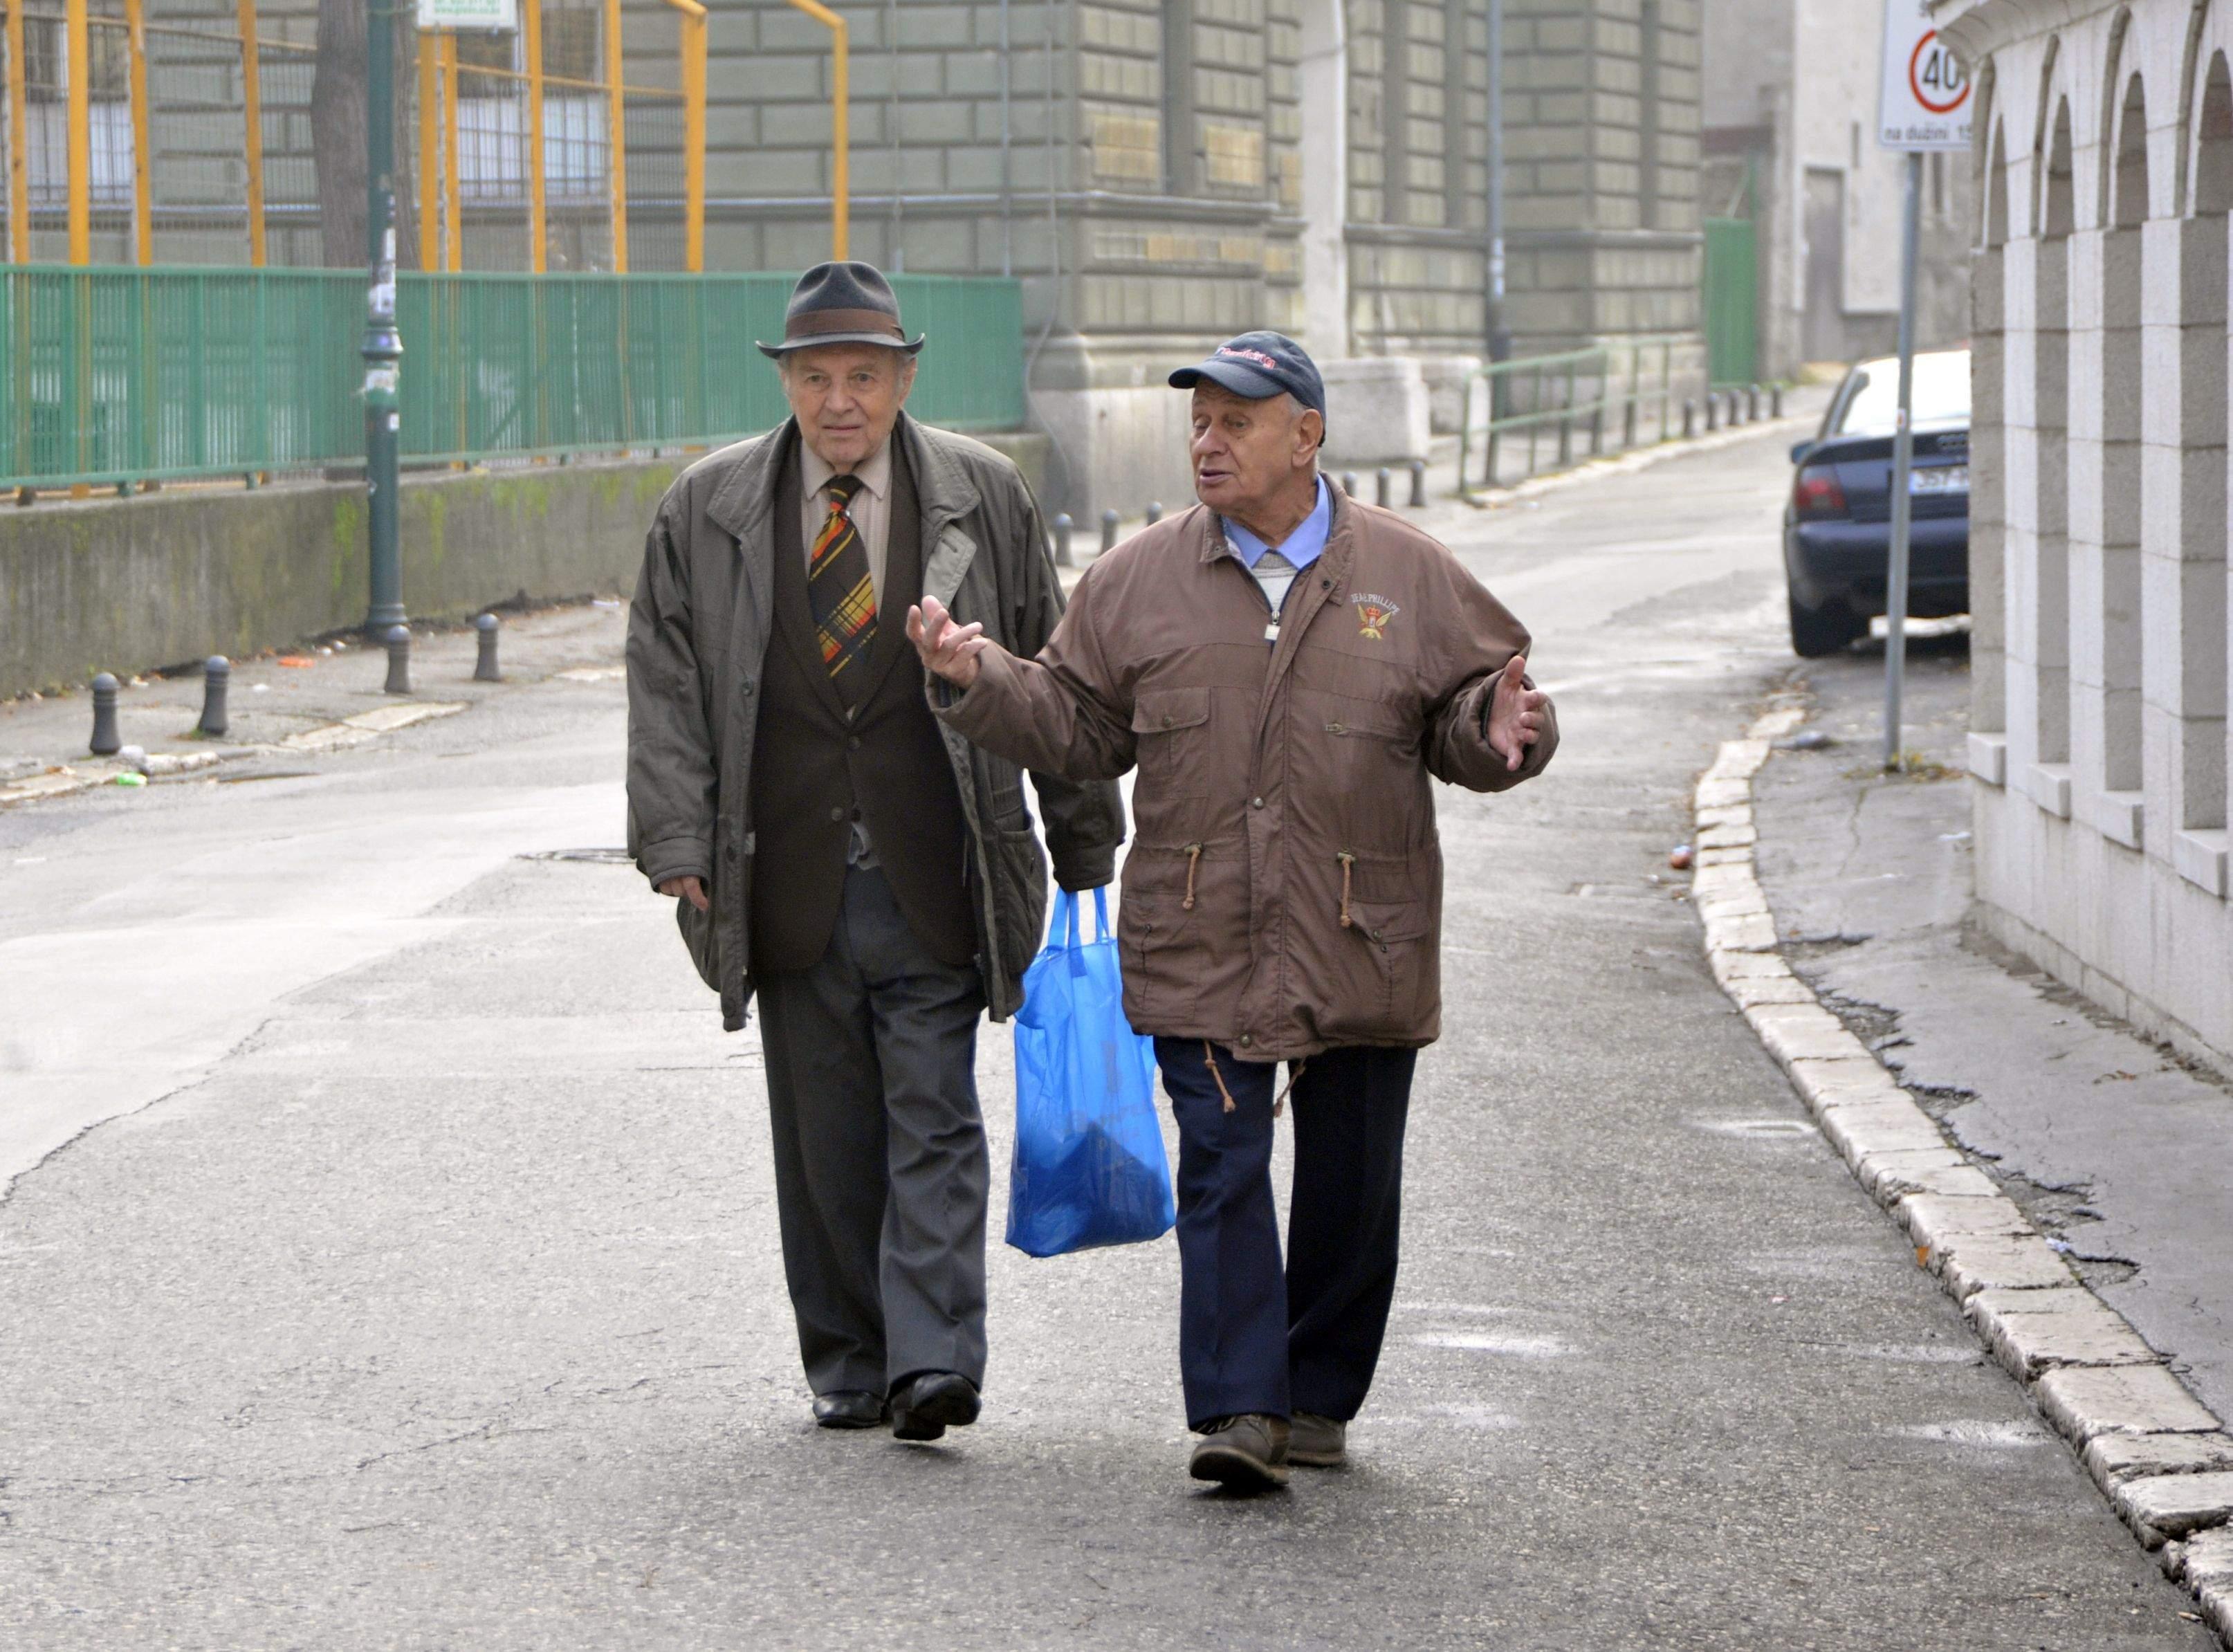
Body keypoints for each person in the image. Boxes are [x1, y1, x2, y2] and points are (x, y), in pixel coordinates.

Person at [906, 330, 1555, 1489]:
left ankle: (1316, 1396)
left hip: (1363, 930)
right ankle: (1239, 1410)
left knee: (1354, 1186)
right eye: (1198, 421)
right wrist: (975, 677)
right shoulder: (1137, 577)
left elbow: (1477, 711)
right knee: (1220, 1158)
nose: (1208, 441)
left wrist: (1504, 735)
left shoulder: (1408, 574)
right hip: (1200, 925)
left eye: (1236, 421)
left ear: (1305, 436)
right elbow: (1076, 723)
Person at [626, 262, 1123, 1442]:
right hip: (782, 868)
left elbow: (1052, 670)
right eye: (815, 377)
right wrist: (677, 840)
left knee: (935, 1113)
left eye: (862, 375)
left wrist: (1085, 835)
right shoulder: (710, 508)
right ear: (787, 383)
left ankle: (933, 1359)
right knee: (826, 1134)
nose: (838, 400)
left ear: (903, 379)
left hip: (939, 862)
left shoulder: (982, 495)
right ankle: (850, 1358)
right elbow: (664, 681)